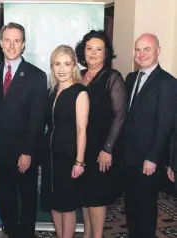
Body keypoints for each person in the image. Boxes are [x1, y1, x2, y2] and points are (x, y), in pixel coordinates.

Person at [0, 22, 47, 238]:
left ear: (23, 45)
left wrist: (28, 152)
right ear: (1, 43)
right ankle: (12, 233)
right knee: (5, 201)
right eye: (7, 40)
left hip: (24, 155)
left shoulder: (37, 76)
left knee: (28, 201)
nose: (12, 45)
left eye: (16, 41)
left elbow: (37, 120)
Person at [123, 33, 177, 238]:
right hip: (128, 158)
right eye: (138, 49)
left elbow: (164, 125)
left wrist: (152, 157)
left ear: (158, 52)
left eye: (147, 49)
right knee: (131, 207)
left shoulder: (168, 83)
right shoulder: (131, 78)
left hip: (148, 160)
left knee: (145, 209)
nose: (141, 54)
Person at [75, 30, 126, 238]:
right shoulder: (79, 77)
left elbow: (120, 115)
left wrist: (108, 148)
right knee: (86, 196)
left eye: (99, 49)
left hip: (100, 149)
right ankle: (87, 234)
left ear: (106, 54)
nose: (93, 53)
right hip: (81, 148)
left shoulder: (112, 77)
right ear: (83, 51)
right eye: (89, 48)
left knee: (96, 197)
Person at [41, 45, 89, 238]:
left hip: (69, 156)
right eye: (57, 64)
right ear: (52, 67)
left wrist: (79, 161)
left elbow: (81, 129)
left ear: (74, 67)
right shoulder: (51, 92)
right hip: (49, 155)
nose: (61, 68)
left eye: (66, 64)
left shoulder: (80, 92)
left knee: (67, 205)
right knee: (54, 201)